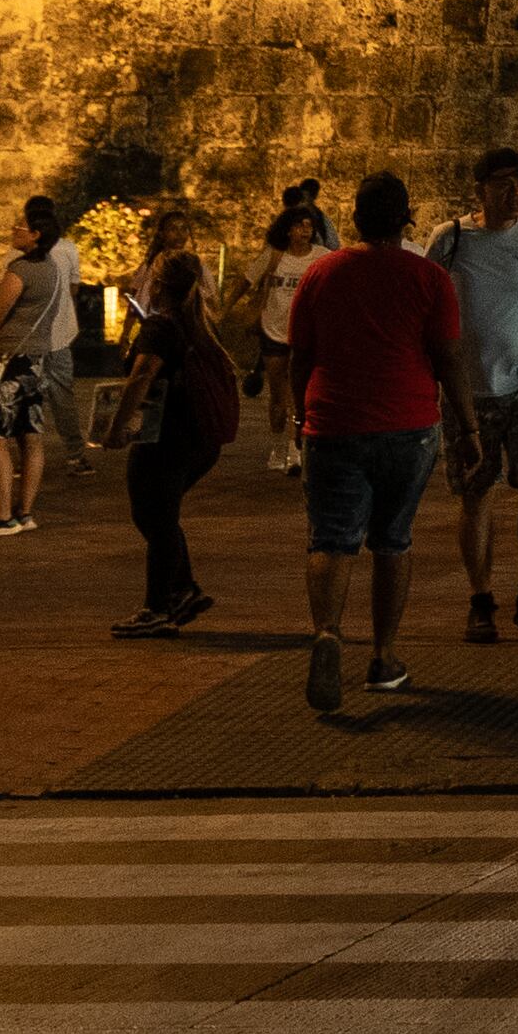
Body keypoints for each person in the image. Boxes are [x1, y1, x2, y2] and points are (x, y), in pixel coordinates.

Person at [286, 171, 473, 713]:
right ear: (406, 220)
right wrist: (470, 427)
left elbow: (302, 355)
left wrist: (303, 414)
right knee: (392, 540)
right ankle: (385, 656)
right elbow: (449, 357)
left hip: (334, 423)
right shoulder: (429, 279)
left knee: (331, 540)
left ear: (355, 220)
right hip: (408, 424)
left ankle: (327, 632)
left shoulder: (320, 275)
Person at [431, 146, 518, 640]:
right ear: (480, 191)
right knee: (476, 493)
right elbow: (432, 308)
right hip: (469, 393)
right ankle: (481, 598)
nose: (516, 194)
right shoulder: (450, 240)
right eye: (505, 185)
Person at [100, 247, 241, 638]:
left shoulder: (161, 326)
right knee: (158, 515)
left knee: (155, 517)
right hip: (197, 437)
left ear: (158, 284)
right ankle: (181, 591)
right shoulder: (197, 322)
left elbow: (141, 376)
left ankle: (158, 606)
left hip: (168, 437)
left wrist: (116, 427)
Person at [0, 195, 85, 531]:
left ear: (36, 234)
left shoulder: (19, 269)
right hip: (36, 360)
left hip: (11, 360)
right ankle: (25, 512)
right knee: (31, 435)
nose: (14, 230)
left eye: (20, 226)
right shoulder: (54, 267)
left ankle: (2, 515)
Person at [255, 186, 330, 474]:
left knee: (302, 393)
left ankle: (295, 448)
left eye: (309, 226)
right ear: (288, 230)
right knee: (278, 394)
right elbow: (246, 281)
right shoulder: (273, 256)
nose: (305, 231)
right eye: (300, 226)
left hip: (304, 334)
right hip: (273, 330)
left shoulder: (322, 256)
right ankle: (278, 446)